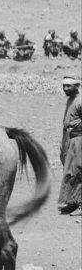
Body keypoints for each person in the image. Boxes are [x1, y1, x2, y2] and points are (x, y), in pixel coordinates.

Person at [58, 76, 82, 215]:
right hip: (70, 139)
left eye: (69, 86)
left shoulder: (80, 101)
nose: (65, 89)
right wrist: (63, 144)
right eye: (64, 86)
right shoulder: (70, 100)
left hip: (79, 139)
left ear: (76, 86)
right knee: (70, 171)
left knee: (79, 171)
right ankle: (73, 202)